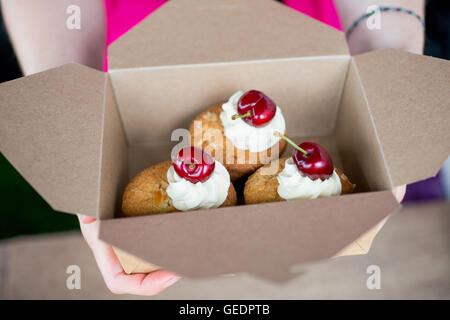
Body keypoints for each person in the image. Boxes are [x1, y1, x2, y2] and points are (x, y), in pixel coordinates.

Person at [1, 0, 423, 296]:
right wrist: (76, 100)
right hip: (130, 50)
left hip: (319, 41)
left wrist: (385, 58)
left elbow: (383, 21)